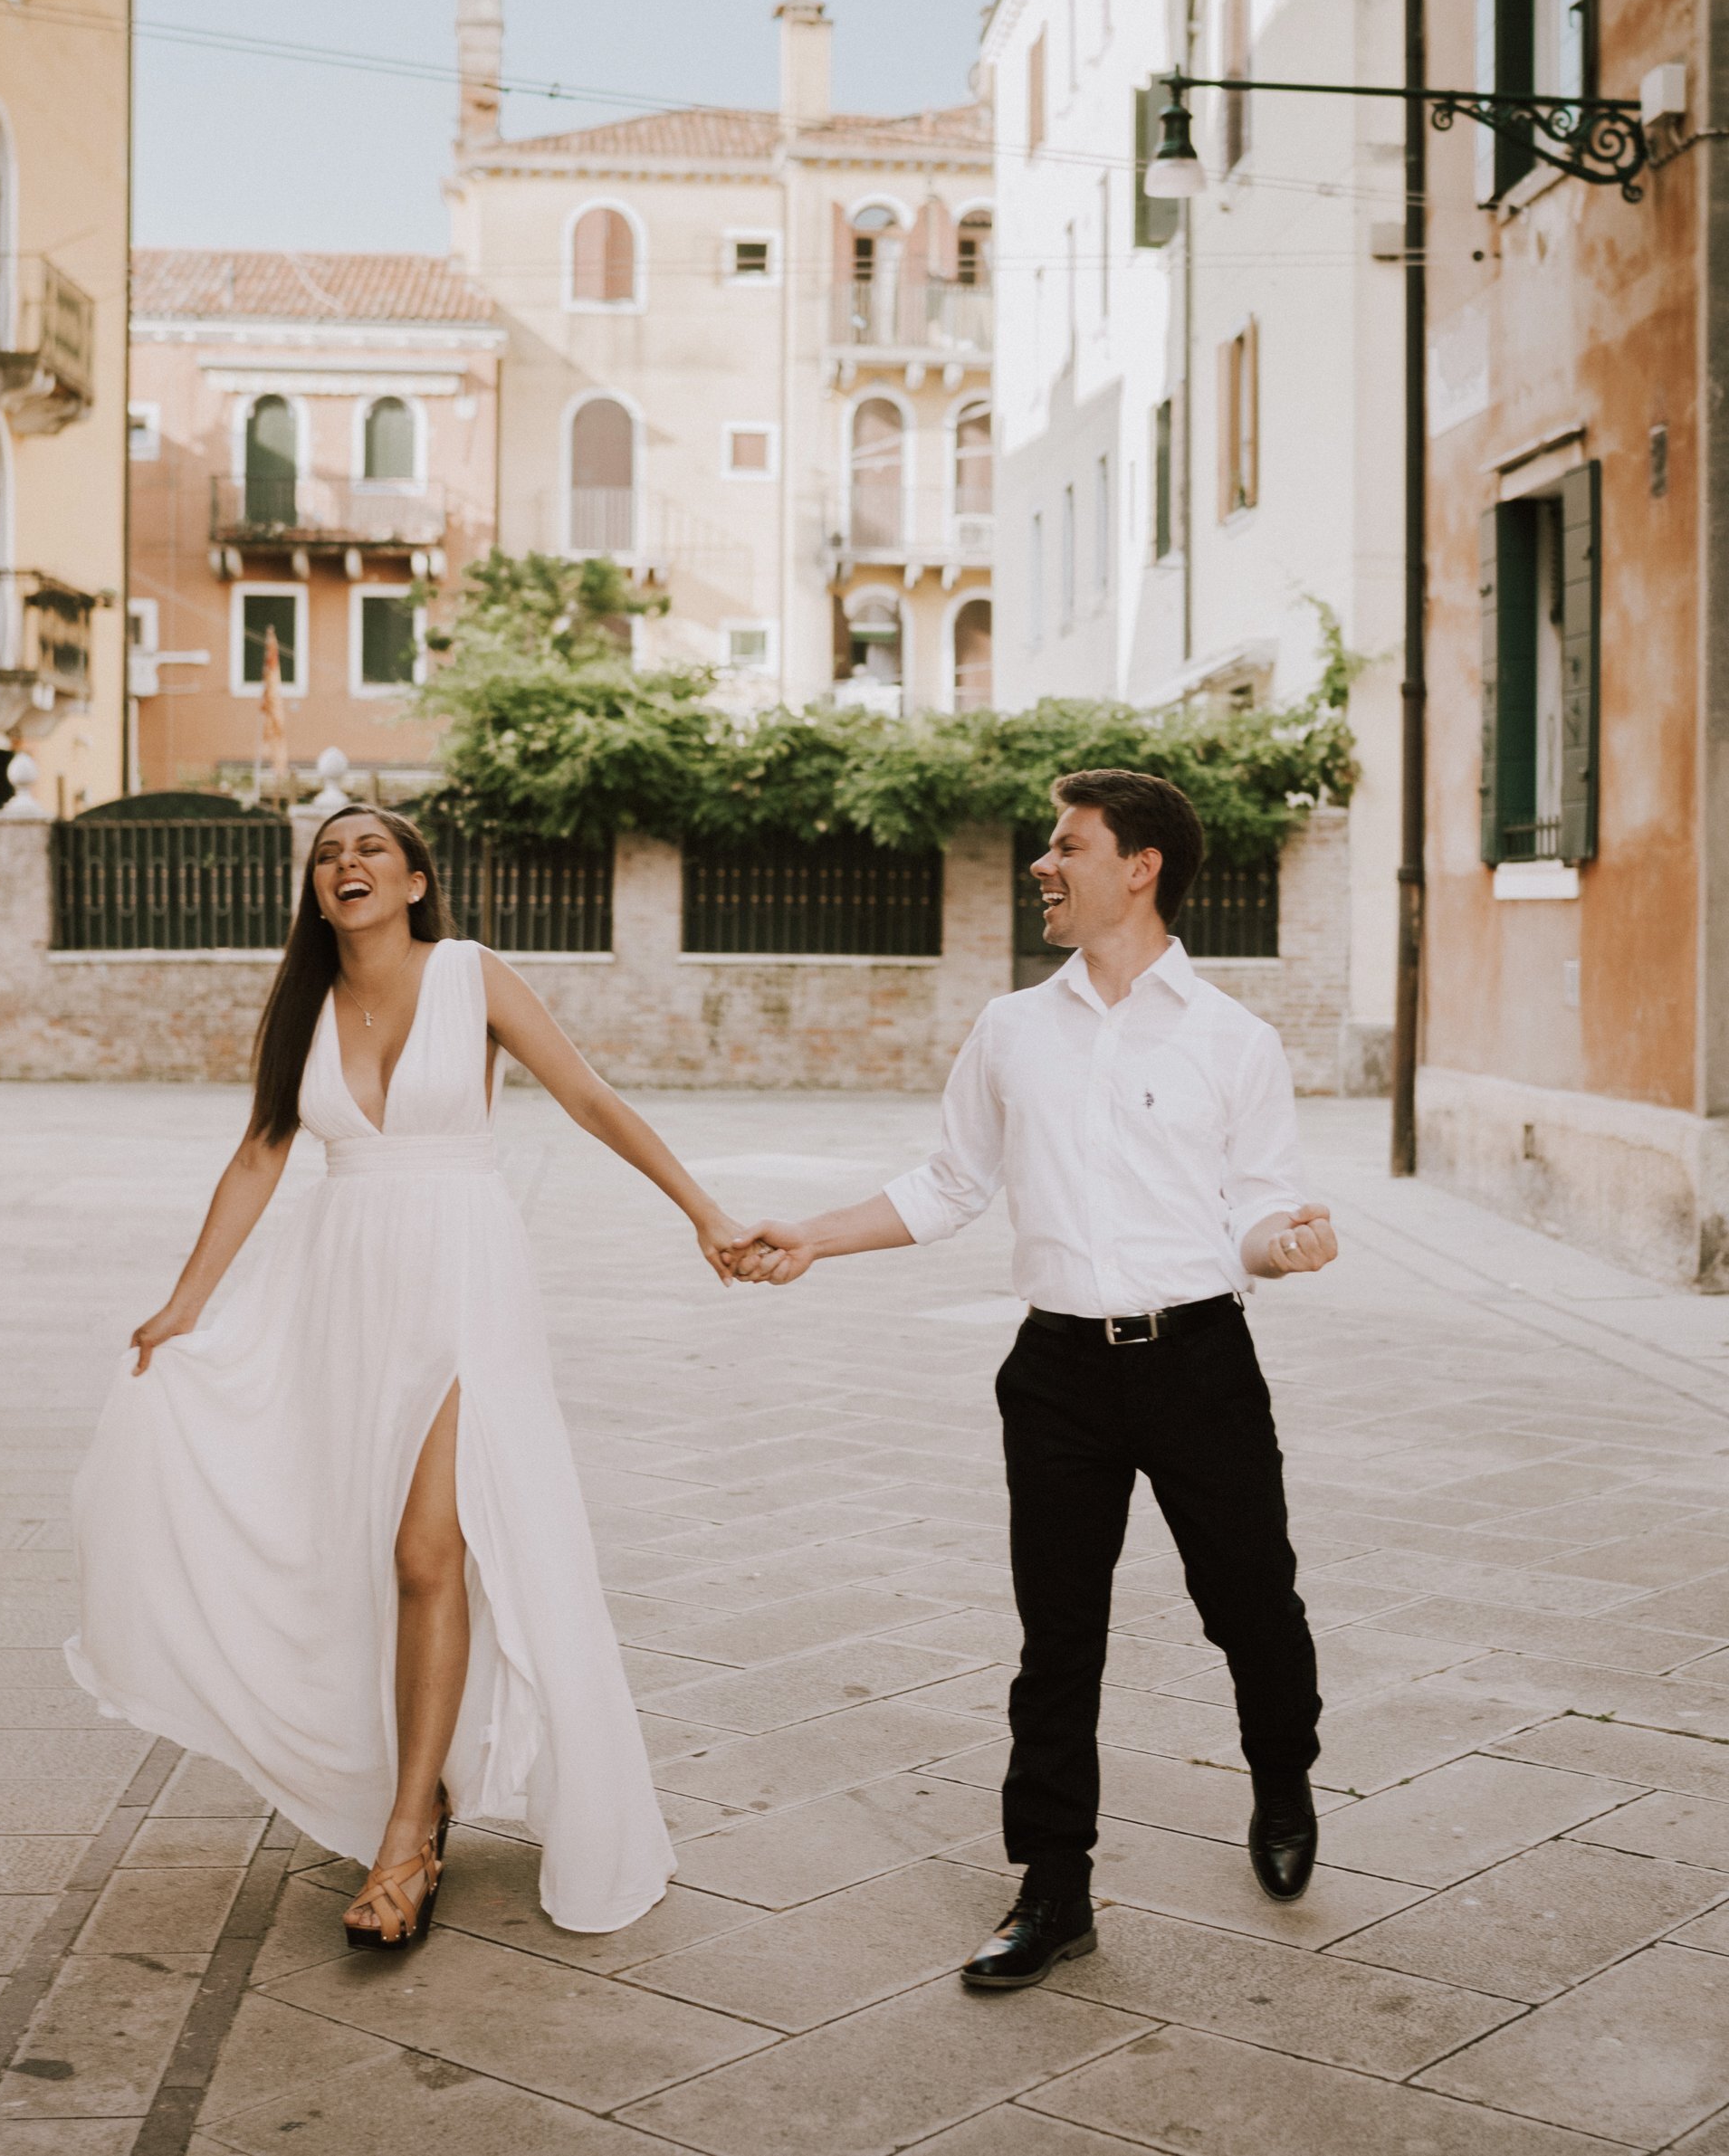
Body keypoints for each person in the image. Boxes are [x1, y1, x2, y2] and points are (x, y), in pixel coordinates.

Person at [67, 805, 746, 1947]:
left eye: (371, 848)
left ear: (417, 880)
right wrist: (187, 1303)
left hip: (464, 1277)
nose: (348, 864)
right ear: (315, 889)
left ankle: (404, 1839)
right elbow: (259, 1154)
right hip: (340, 1293)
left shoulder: (472, 973)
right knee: (355, 1548)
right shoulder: (304, 1005)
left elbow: (586, 1097)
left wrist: (703, 1211)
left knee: (429, 1547)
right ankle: (418, 1784)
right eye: (329, 854)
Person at [726, 768, 1335, 1990]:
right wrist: (812, 1235)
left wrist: (1284, 1240)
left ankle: (1281, 1772)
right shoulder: (1013, 1029)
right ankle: (1055, 1887)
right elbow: (949, 1183)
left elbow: (1262, 1201)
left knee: (1253, 1606)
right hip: (1055, 1372)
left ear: (1140, 864)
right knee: (1058, 1639)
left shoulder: (1232, 1040)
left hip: (1202, 1361)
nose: (1043, 869)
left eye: (1067, 847)